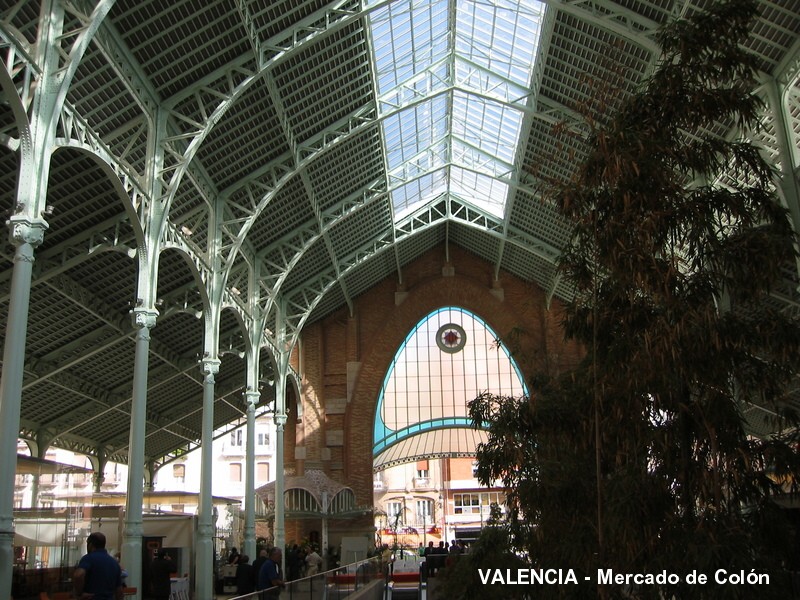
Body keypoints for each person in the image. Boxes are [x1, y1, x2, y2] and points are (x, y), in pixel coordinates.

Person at [73, 532, 123, 600]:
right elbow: (119, 591)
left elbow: (78, 575)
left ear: (90, 544)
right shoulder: (114, 563)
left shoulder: (88, 558)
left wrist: (79, 594)